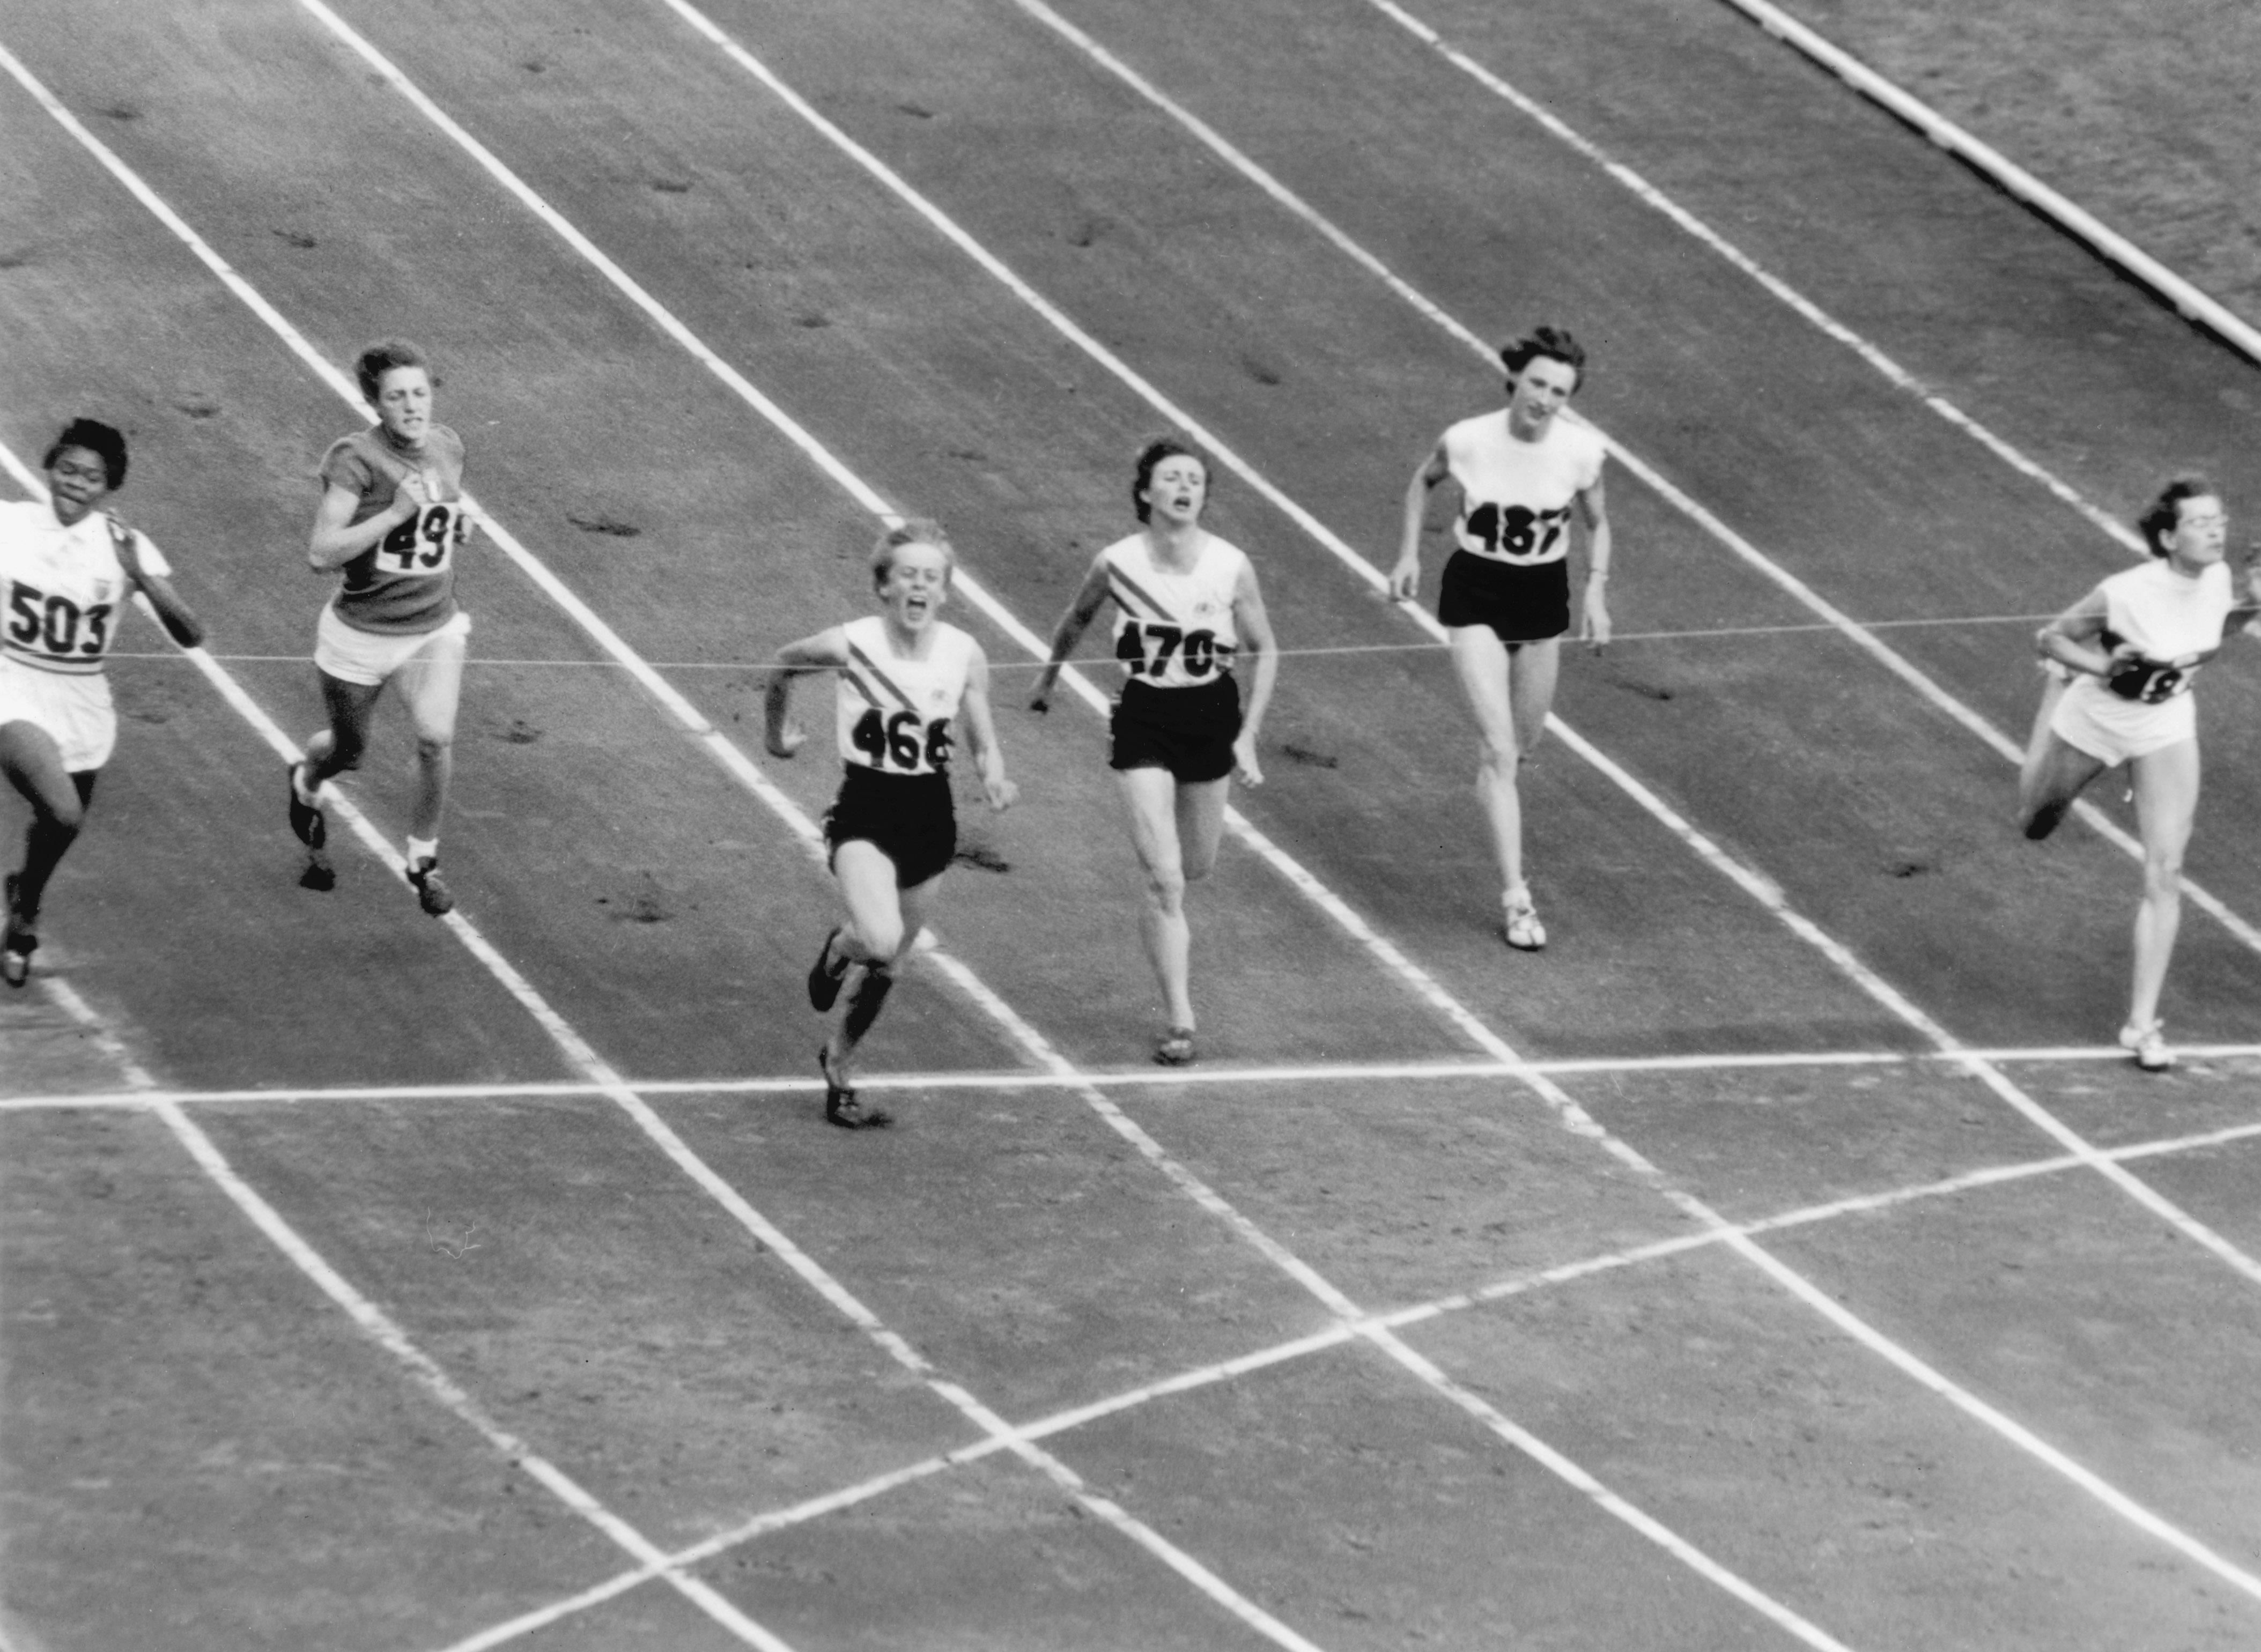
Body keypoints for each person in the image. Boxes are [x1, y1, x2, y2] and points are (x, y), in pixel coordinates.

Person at [1030, 436, 1277, 1065]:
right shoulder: (1117, 562)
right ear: (1146, 492)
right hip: (1144, 718)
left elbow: (1265, 649)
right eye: (1171, 478)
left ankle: (1169, 934)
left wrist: (1247, 735)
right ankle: (1179, 1017)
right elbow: (1076, 617)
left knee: (1196, 866)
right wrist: (1048, 677)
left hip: (1211, 716)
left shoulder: (1229, 565)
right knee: (1164, 879)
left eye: (1194, 479)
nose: (1184, 488)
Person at [766, 521, 1016, 1128]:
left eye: (931, 577)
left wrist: (993, 772)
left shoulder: (963, 652)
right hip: (866, 812)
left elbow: (980, 728)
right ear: (883, 586)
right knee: (875, 941)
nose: (919, 586)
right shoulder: (850, 645)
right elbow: (783, 665)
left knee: (893, 966)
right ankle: (838, 947)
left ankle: (838, 1064)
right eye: (907, 574)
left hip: (932, 819)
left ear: (945, 591)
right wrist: (776, 736)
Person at [2018, 476, 2261, 1071]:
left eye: (2219, 519)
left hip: (2165, 725)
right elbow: (2050, 634)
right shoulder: (2124, 591)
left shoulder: (2222, 582)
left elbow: (2215, 633)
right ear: (2167, 535)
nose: (2216, 529)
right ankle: (2054, 691)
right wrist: (2098, 666)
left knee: (2167, 868)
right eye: (2200, 522)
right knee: (2034, 822)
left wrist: (2256, 602)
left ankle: (2141, 1024)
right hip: (2096, 719)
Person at [1389, 325, 1614, 950]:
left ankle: (1495, 782)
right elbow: (1422, 481)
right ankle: (1518, 900)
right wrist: (1409, 555)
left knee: (1522, 747)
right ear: (1514, 379)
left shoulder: (1581, 454)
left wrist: (1595, 590)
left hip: (1542, 597)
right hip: (1476, 593)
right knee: (1499, 747)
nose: (1544, 398)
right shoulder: (1467, 440)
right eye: (1537, 384)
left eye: (1559, 391)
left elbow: (1598, 523)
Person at [0, 419, 203, 987]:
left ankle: (24, 903)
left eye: (91, 477)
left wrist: (140, 573)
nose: (76, 484)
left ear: (108, 486)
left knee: (59, 824)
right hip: (12, 682)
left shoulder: (123, 546)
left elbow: (191, 634)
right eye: (67, 470)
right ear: (49, 468)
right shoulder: (10, 521)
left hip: (82, 698)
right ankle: (25, 907)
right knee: (63, 811)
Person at [286, 339, 475, 915]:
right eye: (397, 397)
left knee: (435, 737)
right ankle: (305, 780)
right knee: (348, 752)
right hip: (361, 635)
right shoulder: (354, 460)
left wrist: (455, 522)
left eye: (421, 393)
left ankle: (423, 857)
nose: (413, 407)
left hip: (431, 628)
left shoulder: (447, 445)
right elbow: (322, 553)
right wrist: (395, 514)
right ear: (375, 404)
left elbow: (441, 511)